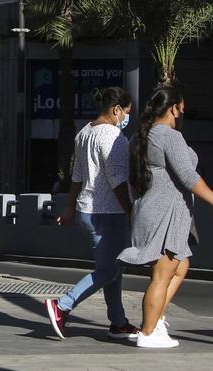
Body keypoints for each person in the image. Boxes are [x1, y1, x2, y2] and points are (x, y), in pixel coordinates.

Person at [118, 85, 213, 349]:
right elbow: (188, 176)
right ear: (174, 108)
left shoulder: (140, 137)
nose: (182, 113)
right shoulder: (169, 137)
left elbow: (132, 180)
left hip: (151, 209)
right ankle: (148, 332)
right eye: (181, 108)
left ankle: (155, 319)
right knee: (163, 273)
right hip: (166, 213)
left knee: (180, 266)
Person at [44, 87, 138, 341]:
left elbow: (76, 176)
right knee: (110, 270)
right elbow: (117, 180)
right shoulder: (113, 136)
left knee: (112, 268)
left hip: (88, 209)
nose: (127, 118)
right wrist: (131, 211)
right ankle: (62, 305)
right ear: (117, 110)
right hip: (109, 212)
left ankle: (118, 322)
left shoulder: (84, 132)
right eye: (127, 113)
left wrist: (71, 206)